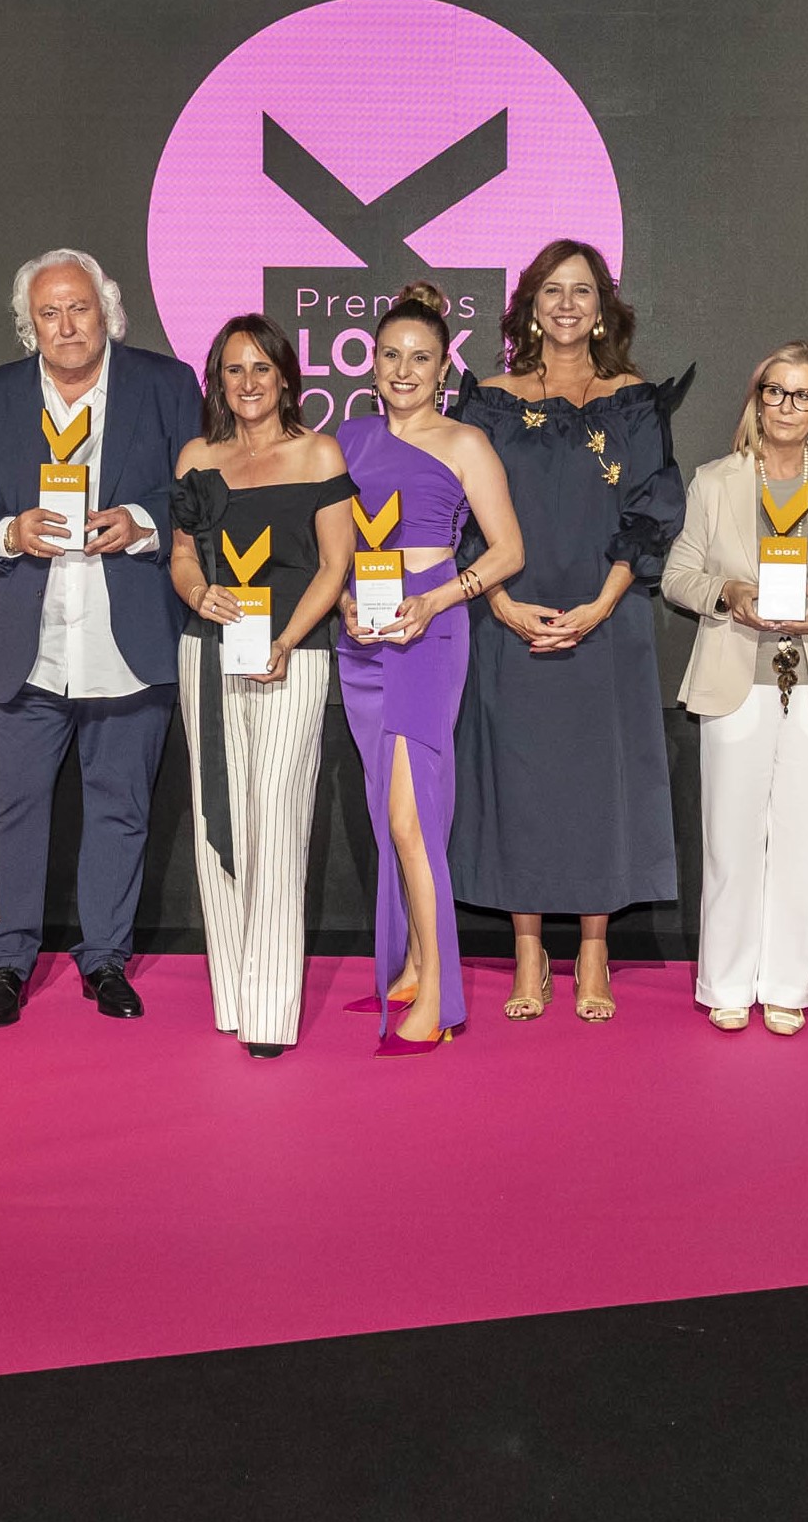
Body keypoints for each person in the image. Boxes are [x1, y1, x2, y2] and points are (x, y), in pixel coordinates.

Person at [0, 249, 202, 1028]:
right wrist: (6, 530)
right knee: (14, 812)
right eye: (49, 312)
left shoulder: (167, 385)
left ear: (108, 313)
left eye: (79, 308)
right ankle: (5, 964)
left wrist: (145, 523)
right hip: (26, 641)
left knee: (120, 809)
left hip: (130, 640)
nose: (66, 325)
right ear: (30, 325)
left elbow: (199, 489)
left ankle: (105, 960)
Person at [452, 240, 686, 1023]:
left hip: (604, 623)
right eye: (551, 290)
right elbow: (457, 512)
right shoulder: (485, 399)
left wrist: (603, 601)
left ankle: (592, 951)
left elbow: (653, 510)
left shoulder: (634, 401)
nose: (565, 303)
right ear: (528, 304)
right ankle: (527, 950)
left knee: (596, 788)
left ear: (602, 307)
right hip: (507, 619)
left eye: (580, 291)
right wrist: (500, 603)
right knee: (519, 787)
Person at [334, 285, 523, 1054]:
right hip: (361, 636)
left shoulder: (464, 443)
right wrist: (344, 597)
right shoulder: (343, 441)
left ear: (444, 366)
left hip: (427, 631)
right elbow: (334, 544)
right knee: (390, 815)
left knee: (414, 821)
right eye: (391, 356)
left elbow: (509, 551)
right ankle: (412, 962)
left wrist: (439, 598)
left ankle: (438, 999)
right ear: (371, 364)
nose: (404, 370)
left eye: (420, 358)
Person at [167, 315, 357, 1056]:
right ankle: (231, 997)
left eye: (260, 369)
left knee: (274, 819)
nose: (247, 383)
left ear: (285, 376)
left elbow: (334, 565)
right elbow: (183, 555)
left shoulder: (317, 453)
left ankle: (270, 1012)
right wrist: (194, 596)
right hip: (206, 653)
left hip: (291, 655)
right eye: (233, 370)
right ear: (218, 379)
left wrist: (284, 639)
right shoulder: (196, 455)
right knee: (218, 812)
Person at [661, 342, 808, 1035]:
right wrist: (728, 592)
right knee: (731, 838)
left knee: (805, 840)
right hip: (733, 675)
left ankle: (788, 984)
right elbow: (677, 575)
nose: (787, 407)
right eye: (776, 391)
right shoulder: (716, 480)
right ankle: (726, 980)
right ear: (756, 398)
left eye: (803, 396)